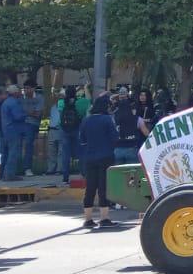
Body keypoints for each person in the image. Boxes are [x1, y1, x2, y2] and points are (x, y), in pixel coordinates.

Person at [78, 96, 117, 228]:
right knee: (103, 188)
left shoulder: (86, 120)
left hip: (89, 158)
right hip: (106, 157)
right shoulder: (107, 120)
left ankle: (88, 219)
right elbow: (114, 138)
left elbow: (82, 140)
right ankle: (104, 218)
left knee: (90, 188)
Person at [54, 87, 83, 182]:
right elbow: (81, 115)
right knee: (79, 152)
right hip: (76, 128)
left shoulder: (61, 103)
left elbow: (60, 114)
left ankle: (65, 176)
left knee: (65, 153)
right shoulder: (79, 102)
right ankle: (82, 173)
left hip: (64, 129)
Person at [0, 85, 27, 180]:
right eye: (19, 91)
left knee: (5, 154)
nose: (20, 93)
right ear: (15, 93)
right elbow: (18, 116)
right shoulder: (14, 103)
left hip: (5, 130)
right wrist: (25, 114)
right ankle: (10, 175)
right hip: (14, 131)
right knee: (13, 153)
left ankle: (2, 174)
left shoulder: (5, 103)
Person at [112, 95, 147, 165]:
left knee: (118, 173)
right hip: (132, 148)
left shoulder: (113, 119)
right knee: (132, 174)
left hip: (117, 149)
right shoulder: (138, 119)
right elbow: (146, 133)